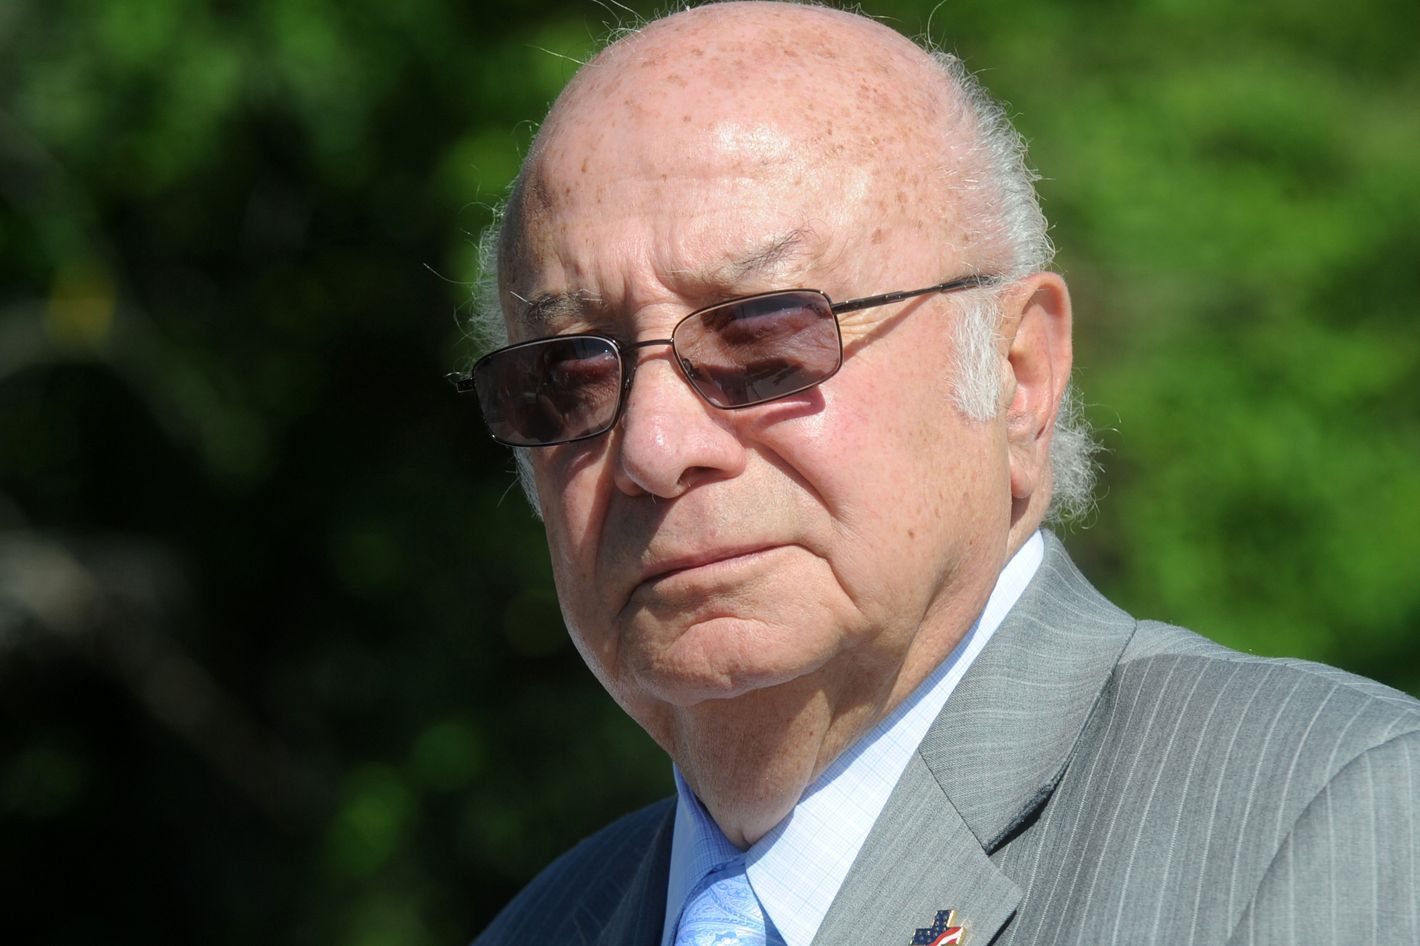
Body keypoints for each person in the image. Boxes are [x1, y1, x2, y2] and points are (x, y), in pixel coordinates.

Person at [460, 3, 1420, 944]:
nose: (656, 447)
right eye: (568, 376)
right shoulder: (539, 926)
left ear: (1017, 374)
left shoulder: (1340, 820)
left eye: (762, 339)